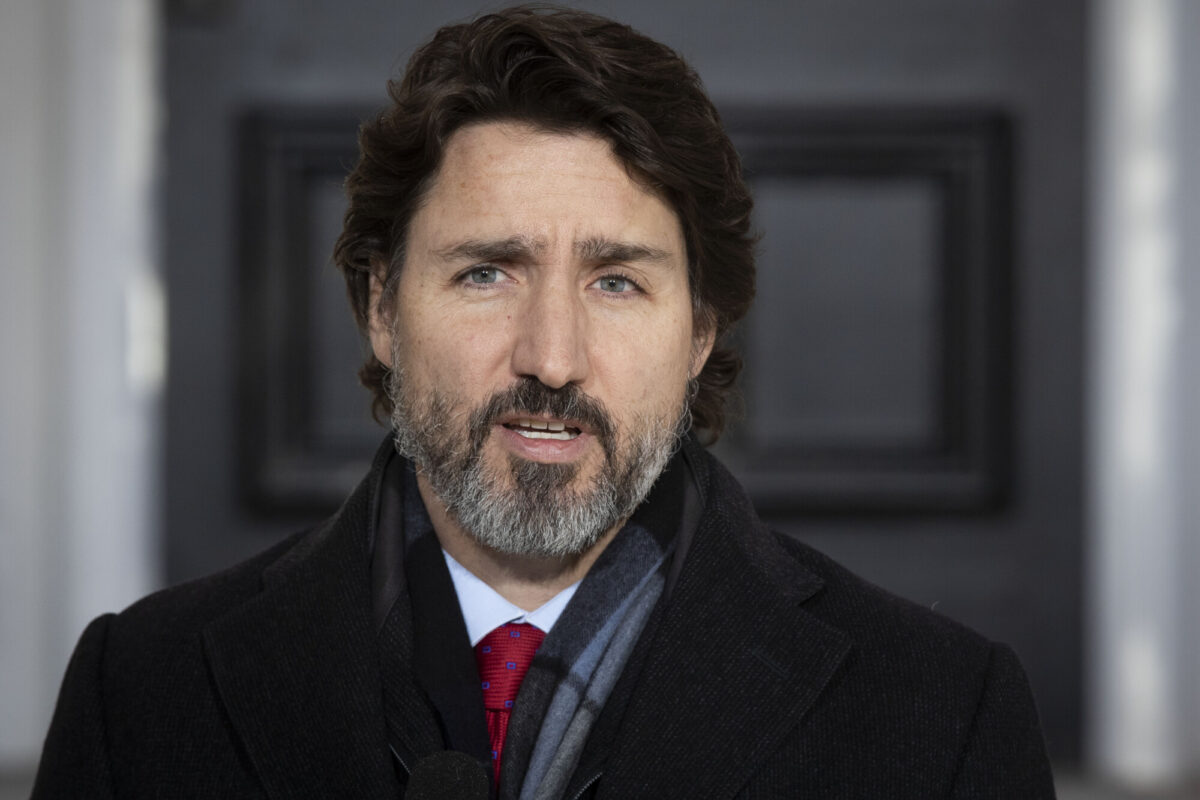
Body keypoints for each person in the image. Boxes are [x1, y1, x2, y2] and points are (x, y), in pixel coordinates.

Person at [33, 6, 1055, 798]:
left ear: (700, 331)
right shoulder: (142, 692)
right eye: (488, 272)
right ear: (382, 308)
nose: (553, 358)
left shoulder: (942, 715)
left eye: (617, 281)